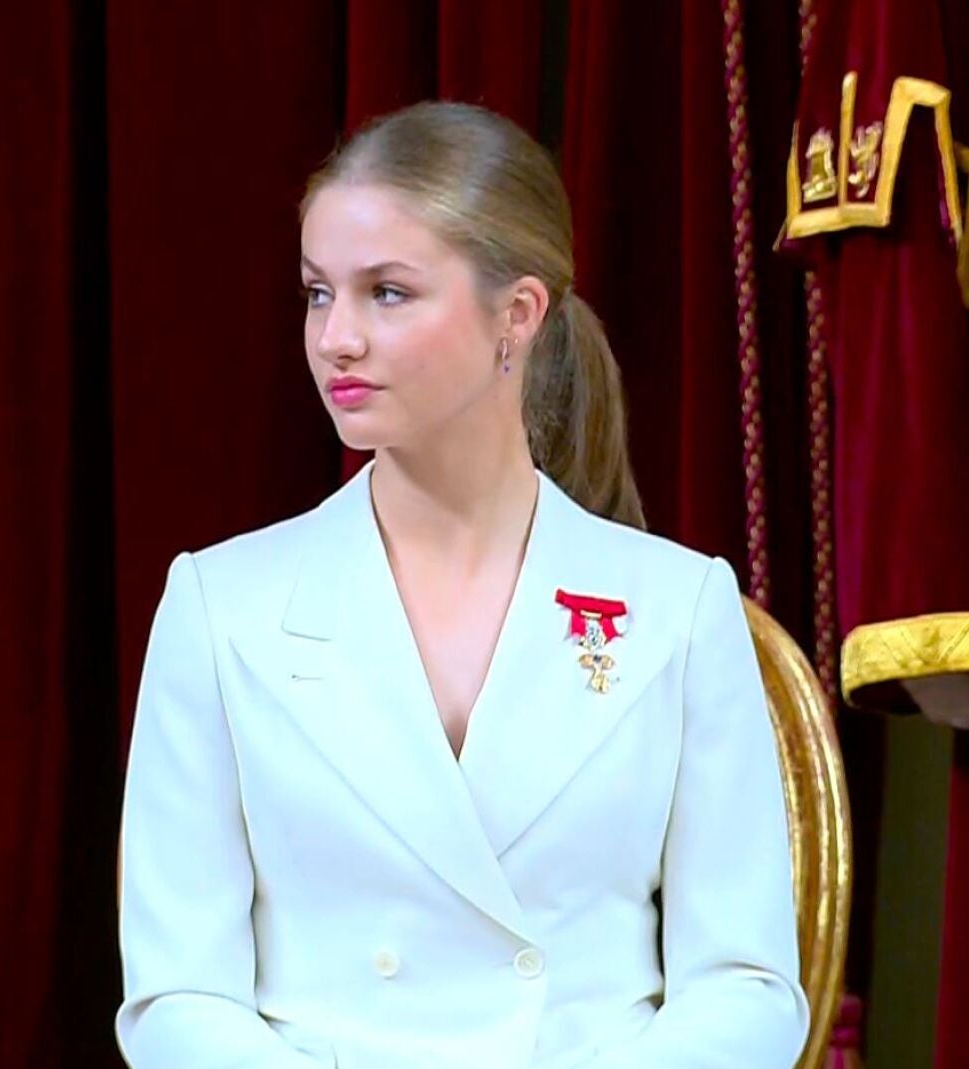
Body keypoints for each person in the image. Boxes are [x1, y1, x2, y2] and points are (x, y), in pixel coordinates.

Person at [113, 101, 807, 1069]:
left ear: (516, 314)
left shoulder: (677, 607)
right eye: (319, 293)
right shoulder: (220, 603)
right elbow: (179, 993)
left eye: (387, 293)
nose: (336, 339)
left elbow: (746, 985)